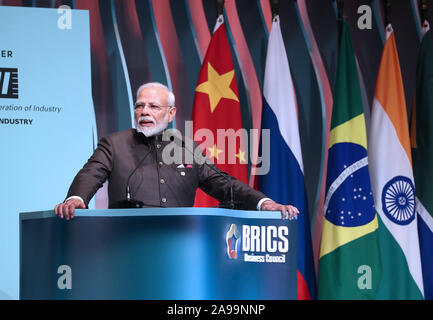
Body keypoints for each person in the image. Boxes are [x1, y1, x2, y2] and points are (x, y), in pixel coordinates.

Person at [54, 82, 299, 220]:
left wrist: (263, 202)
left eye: (153, 106)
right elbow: (91, 173)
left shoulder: (187, 148)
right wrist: (77, 198)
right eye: (139, 106)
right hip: (127, 245)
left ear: (170, 113)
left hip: (180, 247)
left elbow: (224, 185)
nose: (144, 112)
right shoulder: (114, 144)